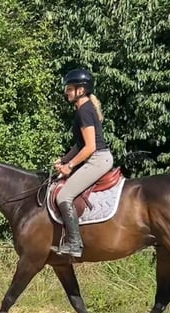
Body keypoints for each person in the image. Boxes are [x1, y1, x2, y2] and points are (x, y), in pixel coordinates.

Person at [52, 68, 113, 257]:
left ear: (81, 90)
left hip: (98, 159)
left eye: (69, 89)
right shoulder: (84, 109)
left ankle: (74, 244)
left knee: (64, 197)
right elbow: (79, 146)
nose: (66, 92)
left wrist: (69, 167)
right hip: (95, 157)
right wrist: (64, 159)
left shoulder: (84, 112)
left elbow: (90, 147)